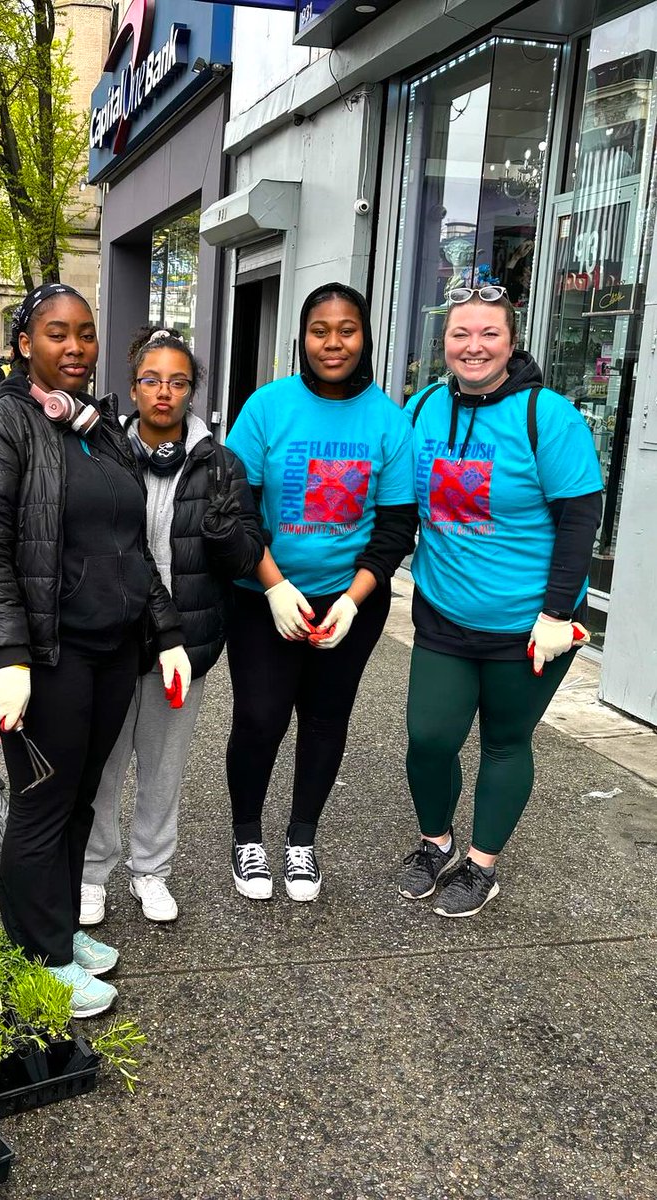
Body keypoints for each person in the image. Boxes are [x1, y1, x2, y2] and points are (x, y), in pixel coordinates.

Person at [0, 283, 191, 1016]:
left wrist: (168, 632)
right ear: (25, 344)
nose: (76, 347)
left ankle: (54, 931)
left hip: (111, 651)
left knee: (83, 797)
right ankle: (36, 957)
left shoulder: (102, 432)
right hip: (44, 658)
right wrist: (7, 655)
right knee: (41, 803)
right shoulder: (2, 429)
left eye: (85, 334)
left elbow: (133, 549)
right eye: (58, 334)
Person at [398, 284, 602, 917]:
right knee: (429, 738)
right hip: (443, 608)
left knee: (505, 741)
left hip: (527, 624)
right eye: (461, 334)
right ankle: (436, 841)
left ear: (511, 341)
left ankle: (482, 864)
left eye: (488, 333)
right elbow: (401, 502)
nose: (473, 346)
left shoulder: (549, 416)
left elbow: (580, 519)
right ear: (444, 343)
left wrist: (558, 615)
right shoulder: (426, 406)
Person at [225, 282, 417, 902]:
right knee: (260, 717)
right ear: (301, 338)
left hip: (348, 600)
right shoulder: (266, 408)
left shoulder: (390, 420)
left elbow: (394, 528)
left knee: (326, 719)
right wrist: (275, 586)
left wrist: (353, 600)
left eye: (347, 330)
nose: (333, 343)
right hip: (264, 597)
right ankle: (247, 836)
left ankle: (302, 839)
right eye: (319, 330)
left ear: (366, 337)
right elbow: (234, 512)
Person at [80, 328, 264, 926]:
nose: (164, 392)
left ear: (193, 391)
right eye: (152, 380)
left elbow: (246, 554)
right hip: (111, 640)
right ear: (132, 387)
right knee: (102, 763)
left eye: (178, 381)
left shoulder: (222, 463)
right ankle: (91, 872)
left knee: (163, 766)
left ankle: (151, 871)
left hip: (185, 643)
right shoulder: (101, 452)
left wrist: (226, 531)